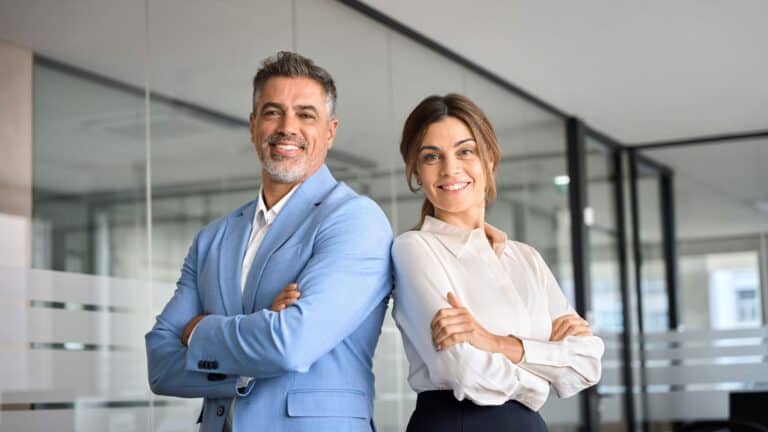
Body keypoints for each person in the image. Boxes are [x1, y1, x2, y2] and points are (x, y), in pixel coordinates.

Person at [145, 51, 393, 432]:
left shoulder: (355, 220)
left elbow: (291, 345)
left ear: (330, 131)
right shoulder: (213, 238)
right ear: (253, 125)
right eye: (273, 112)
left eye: (306, 115)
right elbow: (160, 364)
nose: (287, 127)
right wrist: (249, 355)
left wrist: (198, 330)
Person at [391, 94, 604, 432]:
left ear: (489, 159)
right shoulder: (414, 249)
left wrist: (494, 342)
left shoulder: (526, 259)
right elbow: (463, 370)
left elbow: (587, 363)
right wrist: (542, 378)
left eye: (465, 151)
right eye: (432, 156)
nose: (450, 168)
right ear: (416, 170)